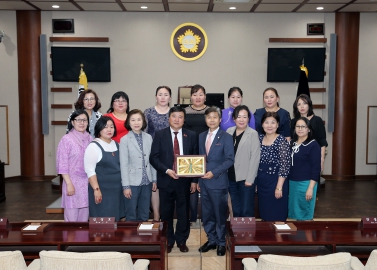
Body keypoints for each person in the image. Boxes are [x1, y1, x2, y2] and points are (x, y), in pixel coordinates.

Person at [150, 106, 198, 253]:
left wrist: (195, 180)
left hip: (185, 181)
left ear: (184, 120)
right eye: (174, 116)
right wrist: (167, 170)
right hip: (166, 179)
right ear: (169, 118)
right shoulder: (159, 135)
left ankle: (182, 241)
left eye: (180, 117)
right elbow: (153, 158)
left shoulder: (191, 135)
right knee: (166, 212)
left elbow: (196, 160)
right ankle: (169, 240)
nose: (177, 119)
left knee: (184, 212)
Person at [198, 107, 234, 256]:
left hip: (218, 181)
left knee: (219, 214)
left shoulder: (226, 137)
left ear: (220, 120)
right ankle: (211, 240)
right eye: (209, 117)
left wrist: (214, 172)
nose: (211, 120)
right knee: (207, 214)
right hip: (204, 183)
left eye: (215, 117)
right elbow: (198, 159)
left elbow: (229, 160)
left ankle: (220, 242)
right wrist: (197, 179)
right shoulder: (201, 136)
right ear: (205, 120)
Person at [84, 116, 125, 221]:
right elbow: (90, 170)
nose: (109, 129)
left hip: (116, 191)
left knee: (116, 221)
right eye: (106, 127)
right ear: (99, 128)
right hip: (102, 191)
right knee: (102, 223)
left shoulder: (117, 144)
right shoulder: (93, 146)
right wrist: (96, 190)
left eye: (112, 127)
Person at [120, 109, 157, 221]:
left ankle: (144, 237)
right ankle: (131, 238)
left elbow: (152, 160)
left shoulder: (148, 137)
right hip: (132, 183)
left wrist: (154, 180)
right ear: (128, 122)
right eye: (133, 120)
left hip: (147, 181)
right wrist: (126, 186)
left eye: (139, 119)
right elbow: (124, 164)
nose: (136, 123)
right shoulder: (124, 140)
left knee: (144, 213)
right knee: (131, 214)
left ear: (143, 121)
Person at [56, 109, 92, 222]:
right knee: (72, 219)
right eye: (78, 120)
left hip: (87, 183)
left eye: (84, 120)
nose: (82, 123)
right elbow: (62, 164)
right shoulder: (66, 139)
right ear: (72, 122)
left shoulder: (91, 139)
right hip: (72, 182)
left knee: (84, 218)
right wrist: (69, 184)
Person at [226, 105, 260, 217]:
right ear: (234, 119)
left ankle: (247, 233)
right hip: (231, 177)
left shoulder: (253, 134)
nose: (241, 119)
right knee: (236, 209)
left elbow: (255, 158)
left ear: (249, 119)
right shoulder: (229, 132)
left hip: (246, 179)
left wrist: (250, 179)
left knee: (246, 209)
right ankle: (237, 233)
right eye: (238, 116)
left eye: (244, 117)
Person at [256, 112, 291, 221]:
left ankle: (279, 238)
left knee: (277, 214)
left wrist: (279, 187)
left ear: (277, 125)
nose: (269, 125)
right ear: (262, 124)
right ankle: (267, 238)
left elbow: (285, 165)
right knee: (265, 214)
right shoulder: (259, 138)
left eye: (273, 122)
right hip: (262, 182)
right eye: (266, 122)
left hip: (276, 181)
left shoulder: (281, 140)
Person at [144, 86, 171, 221]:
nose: (162, 97)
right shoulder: (148, 112)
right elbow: (144, 132)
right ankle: (156, 214)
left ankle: (168, 214)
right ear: (156, 96)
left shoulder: (174, 112)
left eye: (166, 95)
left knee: (167, 182)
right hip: (153, 151)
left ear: (170, 98)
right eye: (160, 94)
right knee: (155, 183)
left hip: (171, 152)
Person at [183, 84, 208, 225]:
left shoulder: (211, 111)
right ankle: (192, 218)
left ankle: (205, 217)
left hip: (207, 151)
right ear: (190, 97)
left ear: (205, 96)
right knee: (191, 184)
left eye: (200, 94)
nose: (197, 97)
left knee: (205, 184)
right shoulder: (184, 111)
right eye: (194, 94)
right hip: (190, 153)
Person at [288, 117, 321, 220]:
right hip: (291, 183)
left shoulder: (313, 145)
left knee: (304, 215)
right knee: (292, 215)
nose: (300, 129)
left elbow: (316, 168)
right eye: (298, 126)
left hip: (306, 184)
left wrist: (310, 188)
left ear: (309, 129)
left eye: (303, 126)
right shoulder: (291, 143)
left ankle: (307, 236)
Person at [291, 94, 328, 172]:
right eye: (299, 104)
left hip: (314, 155)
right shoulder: (293, 121)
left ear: (309, 105)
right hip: (298, 157)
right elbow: (292, 139)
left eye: (304, 103)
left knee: (313, 179)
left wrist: (321, 160)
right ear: (296, 107)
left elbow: (322, 142)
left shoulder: (317, 120)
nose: (302, 106)